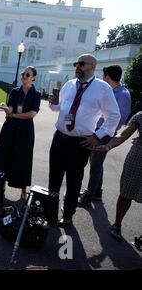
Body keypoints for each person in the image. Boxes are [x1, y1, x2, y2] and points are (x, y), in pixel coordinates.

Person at [47, 54, 120, 227]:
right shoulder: (69, 84)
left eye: (81, 64)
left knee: (74, 180)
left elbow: (114, 115)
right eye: (76, 64)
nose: (77, 67)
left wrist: (98, 136)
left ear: (92, 66)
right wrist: (53, 104)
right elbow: (61, 107)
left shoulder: (102, 88)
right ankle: (49, 212)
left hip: (80, 142)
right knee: (54, 177)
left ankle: (68, 214)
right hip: (60, 137)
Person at [78, 65, 131, 206]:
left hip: (104, 135)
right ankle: (97, 192)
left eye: (104, 76)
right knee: (96, 164)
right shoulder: (110, 91)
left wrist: (101, 129)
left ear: (107, 77)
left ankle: (89, 196)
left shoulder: (123, 94)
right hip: (95, 131)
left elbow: (121, 118)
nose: (102, 78)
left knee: (95, 166)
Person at [0, 66, 41, 201]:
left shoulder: (36, 94)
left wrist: (13, 115)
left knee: (23, 158)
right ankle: (1, 186)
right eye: (23, 74)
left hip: (25, 130)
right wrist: (6, 109)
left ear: (33, 78)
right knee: (5, 154)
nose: (24, 76)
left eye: (27, 75)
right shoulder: (14, 91)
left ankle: (23, 190)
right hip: (10, 127)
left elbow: (32, 114)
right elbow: (10, 108)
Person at [94, 111, 142, 242]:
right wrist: (109, 145)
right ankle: (117, 225)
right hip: (138, 156)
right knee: (126, 192)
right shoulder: (140, 116)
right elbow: (123, 134)